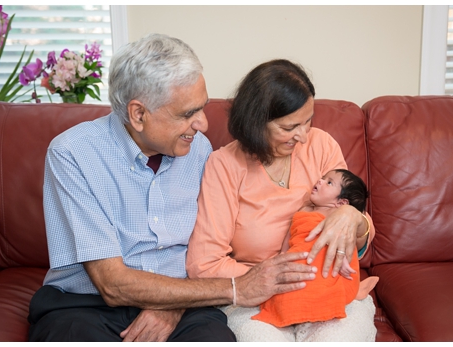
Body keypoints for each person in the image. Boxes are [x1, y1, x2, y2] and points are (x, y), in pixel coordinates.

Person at [28, 34, 317, 342]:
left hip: (187, 303)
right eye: (187, 114)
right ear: (138, 114)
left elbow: (208, 252)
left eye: (202, 108)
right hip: (85, 305)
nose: (203, 124)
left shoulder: (200, 150)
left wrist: (174, 304)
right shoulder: (72, 153)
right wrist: (237, 288)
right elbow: (111, 283)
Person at [185, 59, 375, 342]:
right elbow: (204, 264)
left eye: (308, 120)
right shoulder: (224, 165)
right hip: (257, 296)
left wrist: (354, 219)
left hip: (329, 287)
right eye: (289, 127)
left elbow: (362, 233)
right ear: (255, 123)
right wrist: (272, 277)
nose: (303, 135)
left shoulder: (321, 145)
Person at [253, 169, 379, 341]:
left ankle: (320, 305)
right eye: (323, 178)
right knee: (285, 290)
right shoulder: (303, 210)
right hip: (299, 260)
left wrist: (343, 257)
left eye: (329, 182)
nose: (319, 181)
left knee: (326, 281)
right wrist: (280, 260)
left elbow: (345, 242)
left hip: (325, 267)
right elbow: (289, 243)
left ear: (341, 203)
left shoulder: (338, 216)